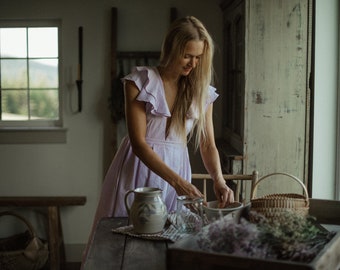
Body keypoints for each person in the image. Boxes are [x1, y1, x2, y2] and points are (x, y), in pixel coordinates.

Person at [81, 16, 234, 267]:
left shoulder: (202, 91)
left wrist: (219, 179)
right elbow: (139, 143)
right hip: (138, 170)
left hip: (178, 168)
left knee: (167, 247)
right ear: (172, 48)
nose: (193, 64)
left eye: (198, 57)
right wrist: (178, 183)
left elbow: (208, 144)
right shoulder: (140, 81)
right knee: (122, 247)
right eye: (187, 55)